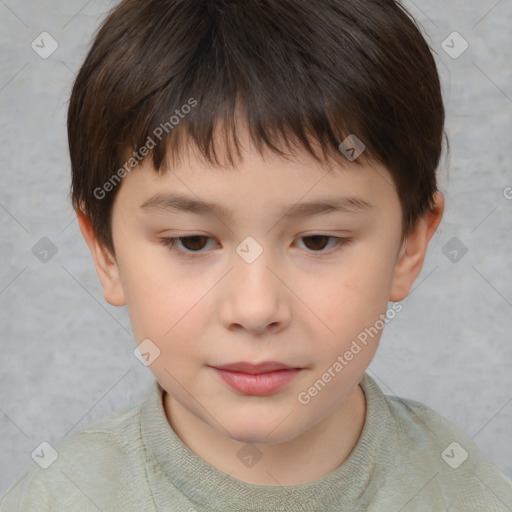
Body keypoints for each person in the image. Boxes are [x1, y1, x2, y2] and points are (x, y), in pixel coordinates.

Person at [2, 0, 511, 510]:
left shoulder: (463, 489)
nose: (255, 309)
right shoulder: (60, 498)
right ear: (105, 251)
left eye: (317, 241)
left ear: (410, 245)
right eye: (193, 241)